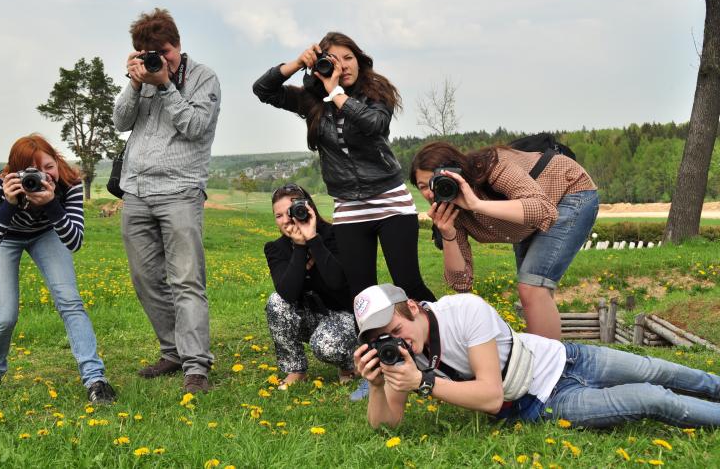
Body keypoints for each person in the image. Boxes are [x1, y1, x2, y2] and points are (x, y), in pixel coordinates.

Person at [353, 284, 720, 429]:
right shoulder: (399, 356)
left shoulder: (463, 310)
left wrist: (425, 383)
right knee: (652, 398)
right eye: (380, 338)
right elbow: (388, 427)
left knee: (661, 370)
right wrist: (375, 385)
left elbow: (489, 394)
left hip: (569, 358)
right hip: (540, 403)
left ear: (414, 308)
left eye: (396, 330)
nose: (394, 342)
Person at [252, 32, 436, 304]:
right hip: (349, 206)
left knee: (408, 283)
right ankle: (375, 345)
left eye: (349, 58)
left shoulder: (377, 92)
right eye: (334, 60)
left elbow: (374, 124)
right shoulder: (311, 101)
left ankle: (438, 335)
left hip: (389, 198)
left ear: (359, 60)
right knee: (362, 292)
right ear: (320, 66)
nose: (343, 66)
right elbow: (263, 90)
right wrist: (296, 63)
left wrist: (335, 92)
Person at [112, 8, 221, 394]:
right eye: (150, 54)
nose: (162, 60)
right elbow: (121, 121)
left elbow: (195, 127)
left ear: (177, 45)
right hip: (136, 191)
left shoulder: (203, 78)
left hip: (180, 191)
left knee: (186, 281)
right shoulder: (140, 77)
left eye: (166, 52)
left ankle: (196, 366)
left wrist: (165, 86)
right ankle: (173, 351)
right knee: (145, 279)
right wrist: (135, 82)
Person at [0, 134, 116, 403]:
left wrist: (51, 204)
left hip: (47, 233)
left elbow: (73, 242)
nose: (44, 176)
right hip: (4, 236)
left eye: (49, 166)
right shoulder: (3, 186)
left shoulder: (70, 183)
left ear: (57, 160)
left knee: (70, 301)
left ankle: (96, 379)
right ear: (16, 172)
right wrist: (8, 205)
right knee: (4, 315)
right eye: (33, 172)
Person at [410, 141, 598, 339]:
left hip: (568, 190)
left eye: (436, 181)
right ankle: (546, 356)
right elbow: (461, 282)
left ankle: (547, 363)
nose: (432, 192)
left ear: (456, 171)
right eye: (423, 186)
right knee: (534, 289)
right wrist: (448, 235)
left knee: (532, 287)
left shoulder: (492, 165)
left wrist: (476, 205)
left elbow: (543, 210)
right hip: (528, 222)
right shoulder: (450, 210)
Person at [264, 184, 358, 389]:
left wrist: (313, 239)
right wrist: (299, 247)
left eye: (290, 211)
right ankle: (295, 369)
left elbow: (338, 283)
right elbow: (287, 294)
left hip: (345, 315)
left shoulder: (335, 235)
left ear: (309, 208)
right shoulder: (276, 249)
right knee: (276, 302)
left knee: (326, 346)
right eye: (278, 216)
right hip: (311, 316)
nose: (287, 219)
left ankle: (349, 363)